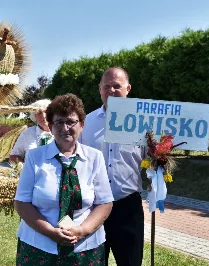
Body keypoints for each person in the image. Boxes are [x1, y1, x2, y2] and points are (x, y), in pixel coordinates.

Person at [14, 93, 114, 265]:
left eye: (71, 122)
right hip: (39, 246)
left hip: (85, 247)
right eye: (59, 122)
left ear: (82, 125)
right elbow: (22, 202)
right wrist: (50, 231)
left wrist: (82, 231)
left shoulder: (95, 157)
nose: (65, 128)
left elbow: (105, 202)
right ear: (51, 127)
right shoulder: (34, 157)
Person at [80, 67, 145, 266]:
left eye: (117, 86)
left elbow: (153, 160)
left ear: (128, 89)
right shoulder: (85, 124)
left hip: (128, 207)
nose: (112, 90)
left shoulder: (143, 123)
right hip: (92, 208)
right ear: (100, 89)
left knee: (130, 262)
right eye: (106, 86)